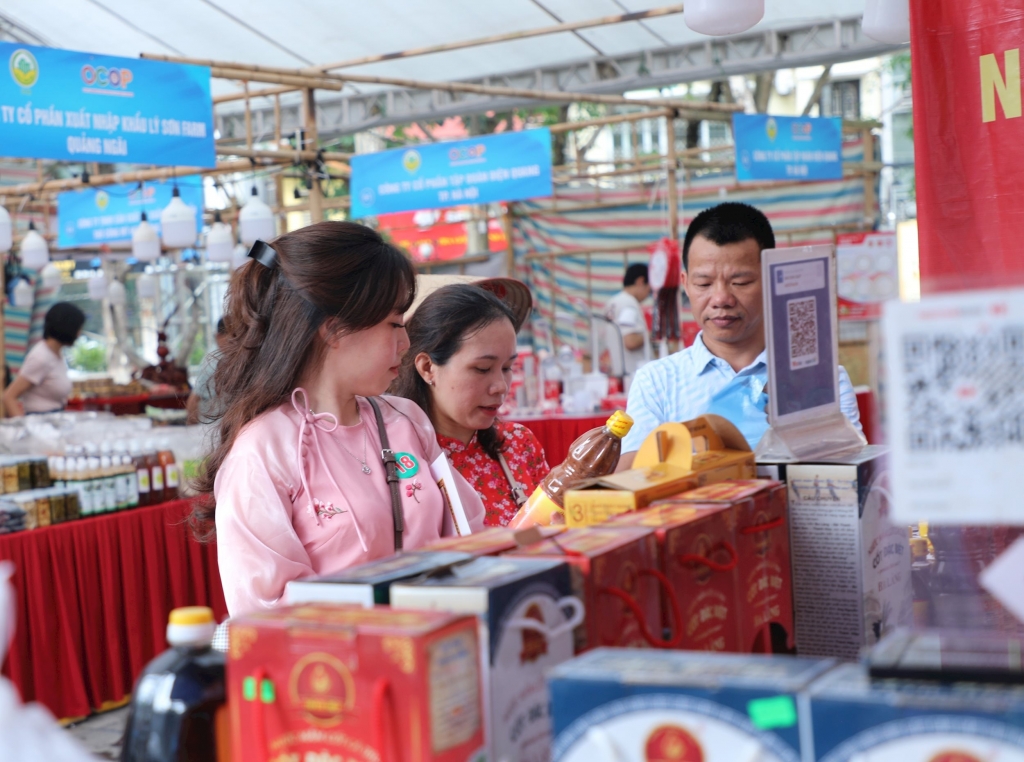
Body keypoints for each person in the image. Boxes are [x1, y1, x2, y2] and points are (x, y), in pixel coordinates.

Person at [192, 221, 486, 617]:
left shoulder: (407, 421)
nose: (405, 342)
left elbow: (468, 533)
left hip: (440, 640)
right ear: (334, 329)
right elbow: (267, 612)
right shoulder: (263, 452)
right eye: (394, 324)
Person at [618, 202, 862, 469]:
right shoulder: (657, 382)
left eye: (740, 282)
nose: (721, 298)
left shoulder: (824, 382)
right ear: (686, 284)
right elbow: (632, 475)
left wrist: (805, 426)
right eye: (704, 283)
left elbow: (848, 477)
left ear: (772, 279)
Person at [393, 283, 549, 527]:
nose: (500, 386)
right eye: (482, 369)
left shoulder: (518, 444)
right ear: (427, 367)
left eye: (507, 368)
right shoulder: (401, 460)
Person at [3, 302, 85, 416]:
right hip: (40, 421)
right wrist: (24, 424)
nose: (79, 334)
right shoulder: (41, 357)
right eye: (77, 329)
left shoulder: (57, 354)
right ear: (67, 327)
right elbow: (9, 397)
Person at [604, 263, 652, 379]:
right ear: (641, 282)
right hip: (633, 374)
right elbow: (630, 341)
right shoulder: (628, 304)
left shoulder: (612, 302)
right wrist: (653, 334)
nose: (647, 295)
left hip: (619, 372)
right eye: (649, 290)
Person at [186, 317, 226, 424]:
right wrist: (192, 426)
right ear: (218, 337)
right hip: (211, 424)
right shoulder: (213, 361)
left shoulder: (227, 356)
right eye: (233, 336)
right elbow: (195, 397)